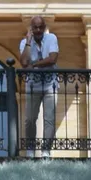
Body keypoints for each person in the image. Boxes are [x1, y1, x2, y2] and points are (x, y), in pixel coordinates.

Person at [19, 15, 59, 157]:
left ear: (44, 27)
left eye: (40, 27)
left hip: (50, 84)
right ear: (31, 28)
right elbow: (24, 63)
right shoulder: (24, 42)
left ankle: (46, 151)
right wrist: (29, 43)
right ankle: (30, 149)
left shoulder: (51, 38)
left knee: (49, 118)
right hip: (32, 85)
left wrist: (34, 64)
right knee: (30, 119)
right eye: (35, 27)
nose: (38, 30)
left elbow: (53, 58)